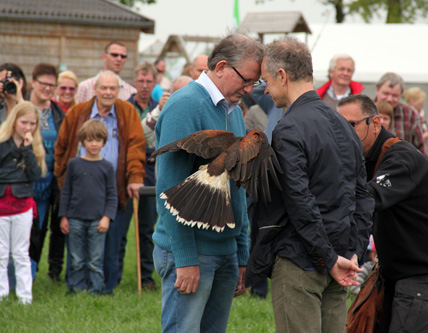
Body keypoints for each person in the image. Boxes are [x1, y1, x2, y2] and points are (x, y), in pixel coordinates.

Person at [248, 37, 373, 333]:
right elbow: (363, 196)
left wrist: (330, 257)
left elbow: (299, 201)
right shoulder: (344, 123)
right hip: (340, 260)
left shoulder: (289, 127)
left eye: (266, 80)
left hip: (304, 262)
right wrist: (351, 251)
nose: (265, 89)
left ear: (282, 76)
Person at [153, 33, 260, 332]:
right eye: (247, 80)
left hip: (224, 251)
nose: (250, 89)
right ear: (222, 66)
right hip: (190, 252)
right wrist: (184, 258)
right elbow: (168, 191)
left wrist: (240, 252)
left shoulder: (234, 111)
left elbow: (237, 188)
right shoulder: (185, 105)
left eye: (256, 83)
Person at [337, 94, 428, 333]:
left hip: (426, 268)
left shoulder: (402, 157)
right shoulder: (363, 157)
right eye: (338, 126)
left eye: (350, 125)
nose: (342, 133)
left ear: (375, 123)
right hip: (398, 267)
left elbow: (368, 198)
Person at [54, 70, 145, 294]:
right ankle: (76, 285)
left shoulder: (128, 112)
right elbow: (62, 149)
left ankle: (106, 287)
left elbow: (136, 147)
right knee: (77, 243)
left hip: (115, 191)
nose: (108, 92)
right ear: (95, 90)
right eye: (103, 88)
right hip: (81, 193)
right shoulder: (78, 113)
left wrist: (135, 177)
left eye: (112, 88)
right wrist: (62, 177)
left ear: (118, 91)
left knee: (112, 242)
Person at [0, 101, 46, 304]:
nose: (28, 128)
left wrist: (26, 150)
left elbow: (34, 174)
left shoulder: (34, 147)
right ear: (14, 120)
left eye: (33, 124)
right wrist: (17, 174)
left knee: (21, 252)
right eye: (24, 122)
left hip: (23, 205)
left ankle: (25, 297)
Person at [59, 119, 118, 295]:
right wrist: (64, 217)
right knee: (76, 258)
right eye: (90, 140)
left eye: (98, 140)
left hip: (98, 220)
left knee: (95, 259)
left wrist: (107, 217)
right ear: (82, 141)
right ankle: (75, 288)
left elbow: (112, 196)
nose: (94, 144)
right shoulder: (74, 164)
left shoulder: (107, 167)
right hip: (75, 218)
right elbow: (66, 192)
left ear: (104, 142)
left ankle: (96, 289)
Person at [28, 63, 66, 282]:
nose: (48, 88)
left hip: (47, 184)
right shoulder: (20, 107)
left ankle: (29, 278)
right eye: (43, 83)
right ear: (33, 82)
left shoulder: (56, 112)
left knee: (38, 232)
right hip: (22, 182)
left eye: (52, 85)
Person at [125, 62, 159, 290]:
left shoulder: (161, 107)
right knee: (118, 226)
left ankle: (146, 276)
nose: (145, 86)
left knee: (147, 227)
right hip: (127, 170)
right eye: (141, 81)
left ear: (155, 83)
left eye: (149, 82)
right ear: (134, 82)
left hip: (152, 174)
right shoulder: (125, 107)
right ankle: (112, 273)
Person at [374, 72, 428, 157]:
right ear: (377, 90)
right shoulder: (365, 110)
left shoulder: (410, 114)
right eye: (386, 94)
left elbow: (420, 148)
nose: (389, 99)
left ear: (401, 95)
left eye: (395, 95)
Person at [0, 63, 26, 134]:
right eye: (2, 82)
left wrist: (19, 98)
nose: (6, 85)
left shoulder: (30, 107)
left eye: (9, 81)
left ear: (20, 82)